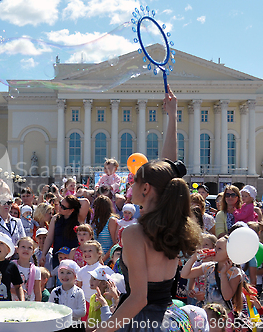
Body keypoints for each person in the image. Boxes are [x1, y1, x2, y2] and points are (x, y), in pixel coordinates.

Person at [94, 86, 201, 332]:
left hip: (142, 322)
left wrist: (101, 330)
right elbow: (170, 170)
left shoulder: (134, 234)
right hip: (169, 319)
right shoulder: (177, 224)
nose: (130, 182)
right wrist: (172, 116)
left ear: (146, 189)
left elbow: (138, 298)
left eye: (135, 180)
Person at [41, 195, 81, 269]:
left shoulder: (79, 220)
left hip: (73, 258)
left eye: (63, 207)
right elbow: (49, 238)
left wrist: (75, 199)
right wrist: (43, 254)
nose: (60, 207)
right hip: (58, 257)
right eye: (60, 204)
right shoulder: (55, 219)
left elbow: (85, 202)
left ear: (72, 210)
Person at [49, 259, 86, 326]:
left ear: (75, 276)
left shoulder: (79, 292)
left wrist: (66, 312)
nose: (65, 276)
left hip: (74, 325)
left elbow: (82, 312)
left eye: (68, 273)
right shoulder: (55, 292)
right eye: (62, 272)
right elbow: (50, 308)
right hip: (58, 325)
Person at [91, 195, 118, 262]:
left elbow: (115, 242)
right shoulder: (95, 221)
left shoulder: (112, 221)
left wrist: (103, 259)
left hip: (108, 260)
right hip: (96, 259)